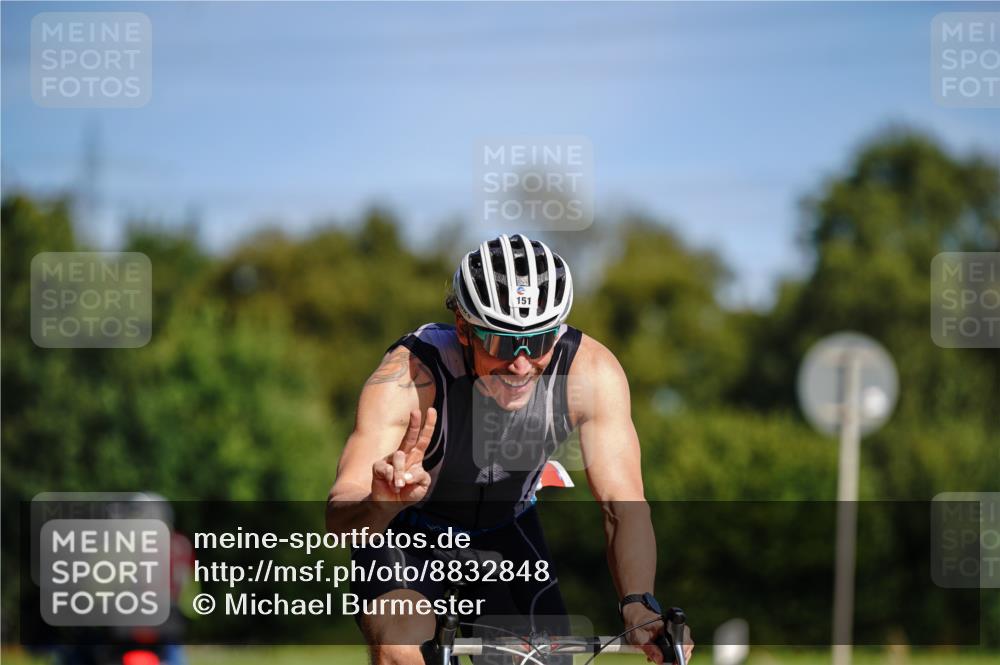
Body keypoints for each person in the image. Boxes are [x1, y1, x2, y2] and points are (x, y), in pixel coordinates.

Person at [326, 234, 694, 664]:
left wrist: (637, 600)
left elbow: (622, 504)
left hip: (506, 531)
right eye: (501, 343)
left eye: (538, 342)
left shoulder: (591, 373)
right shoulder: (407, 378)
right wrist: (380, 503)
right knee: (403, 648)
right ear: (464, 329)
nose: (520, 364)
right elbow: (339, 518)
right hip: (405, 531)